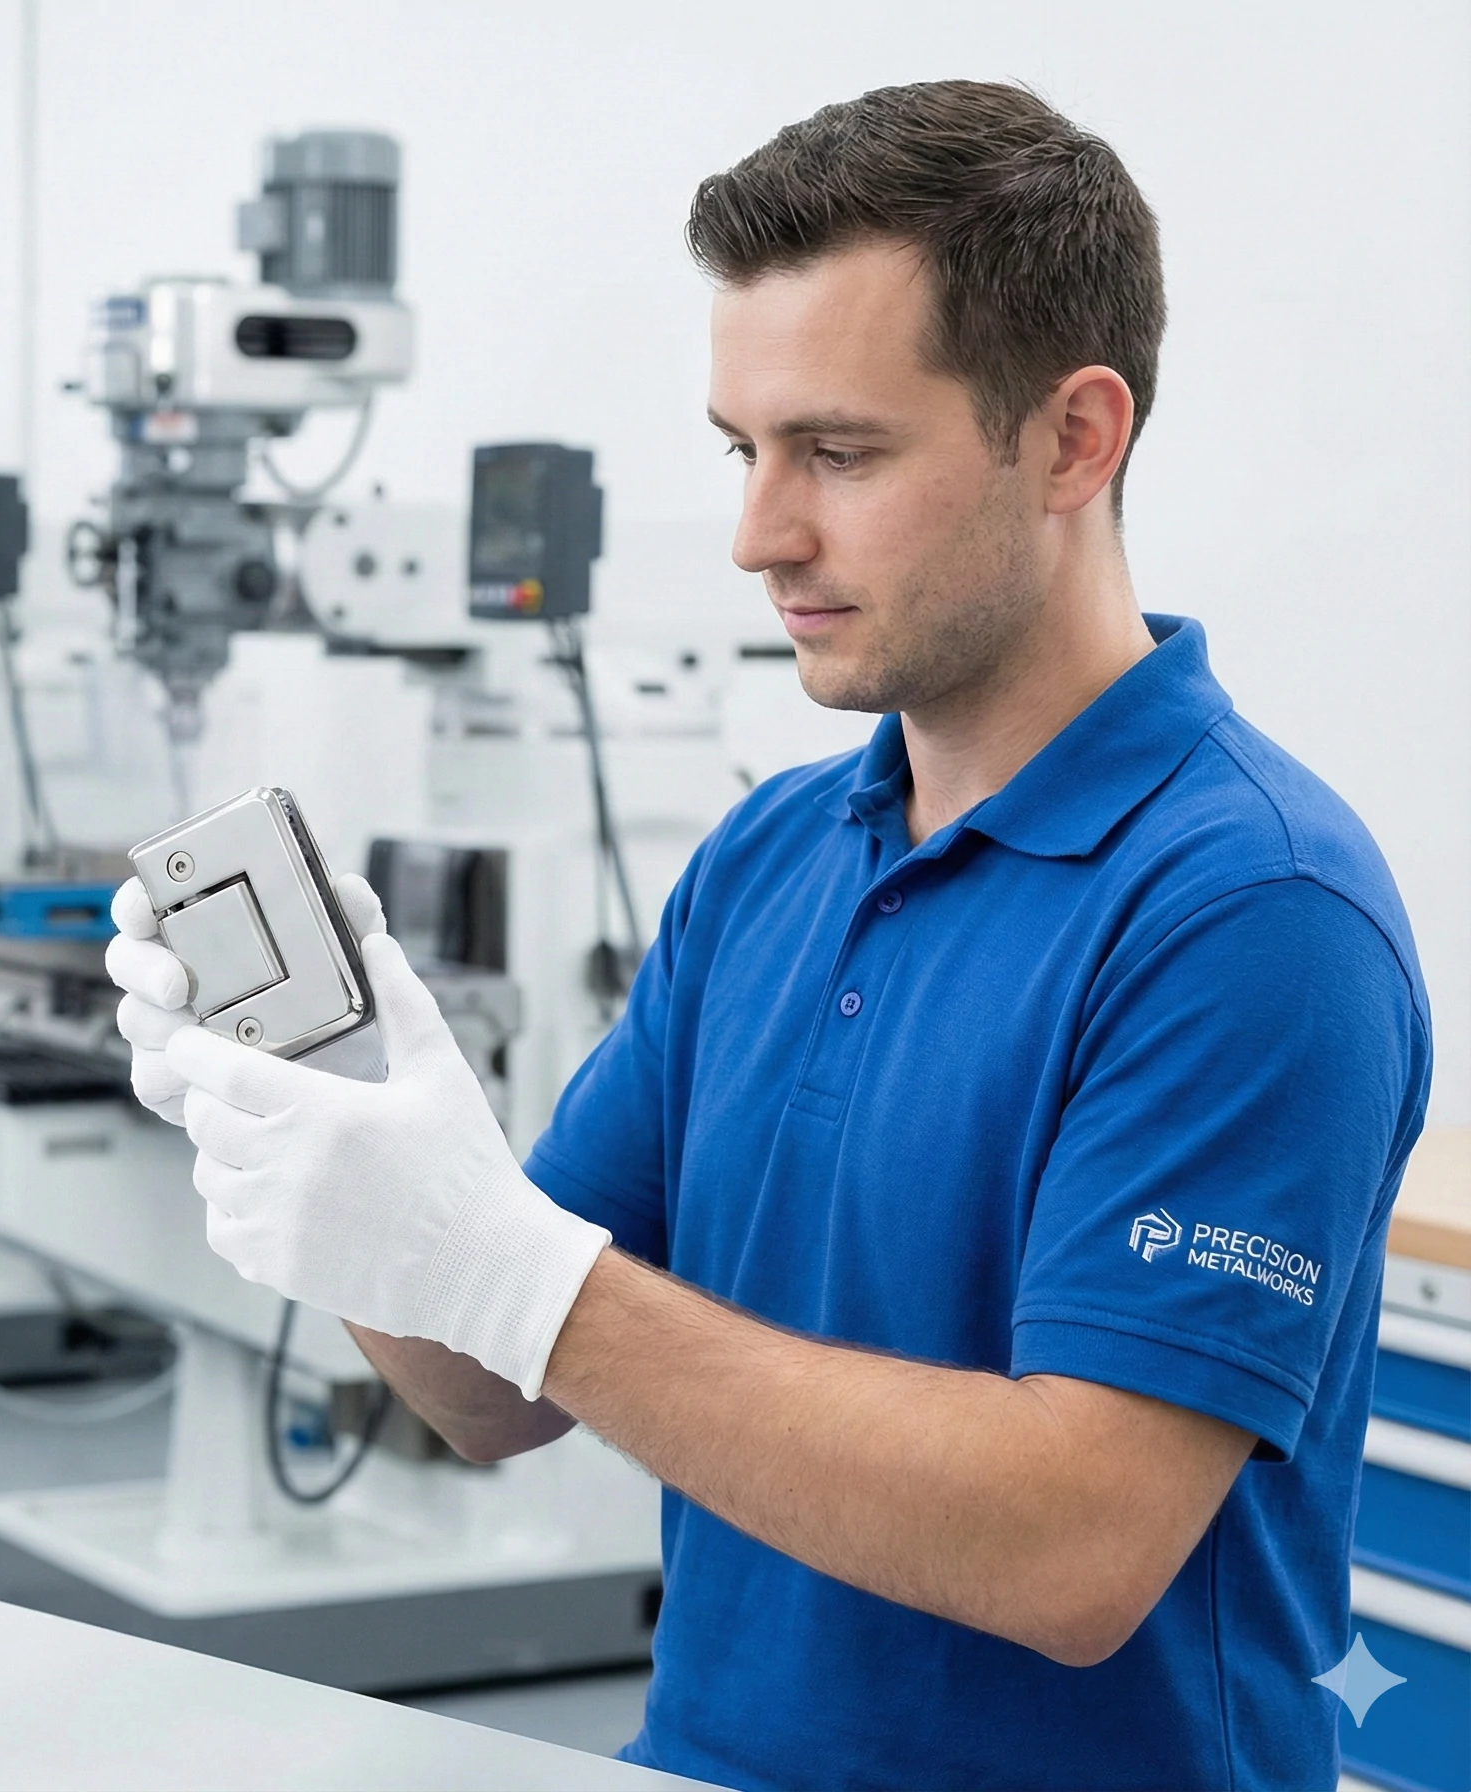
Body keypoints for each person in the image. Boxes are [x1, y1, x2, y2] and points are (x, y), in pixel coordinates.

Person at [108, 80, 1429, 1790]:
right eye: (745, 451)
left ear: (1076, 439)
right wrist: (339, 1130)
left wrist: (515, 1268)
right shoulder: (769, 859)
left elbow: (1071, 1548)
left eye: (842, 452)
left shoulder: (1252, 910)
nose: (760, 536)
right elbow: (491, 1396)